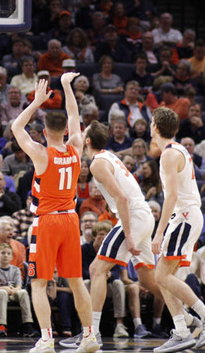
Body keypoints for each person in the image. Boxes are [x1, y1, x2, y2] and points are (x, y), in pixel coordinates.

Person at [9, 74, 98, 353]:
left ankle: (46, 339)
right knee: (75, 282)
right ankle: (89, 336)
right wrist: (67, 86)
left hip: (47, 222)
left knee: (38, 283)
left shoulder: (40, 153)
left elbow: (15, 126)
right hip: (71, 220)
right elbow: (73, 114)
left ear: (45, 132)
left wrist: (36, 102)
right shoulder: (76, 148)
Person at [83, 119, 168, 347]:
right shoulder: (109, 155)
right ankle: (190, 317)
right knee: (148, 281)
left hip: (133, 217)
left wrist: (129, 235)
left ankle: (91, 333)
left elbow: (120, 197)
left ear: (88, 140)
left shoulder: (97, 164)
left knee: (96, 269)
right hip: (143, 216)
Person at [150, 107, 205, 352]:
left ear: (155, 127)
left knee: (161, 276)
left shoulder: (169, 155)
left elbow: (171, 196)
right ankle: (182, 330)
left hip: (183, 216)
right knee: (164, 277)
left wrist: (159, 231)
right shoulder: (176, 150)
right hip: (186, 216)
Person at [0, 242, 36, 337]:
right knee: (2, 292)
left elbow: (19, 286)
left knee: (23, 292)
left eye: (8, 253)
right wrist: (5, 288)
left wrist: (12, 290)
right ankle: (0, 325)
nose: (6, 255)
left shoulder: (16, 270)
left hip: (12, 293)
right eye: (3, 253)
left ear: (11, 257)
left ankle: (28, 325)